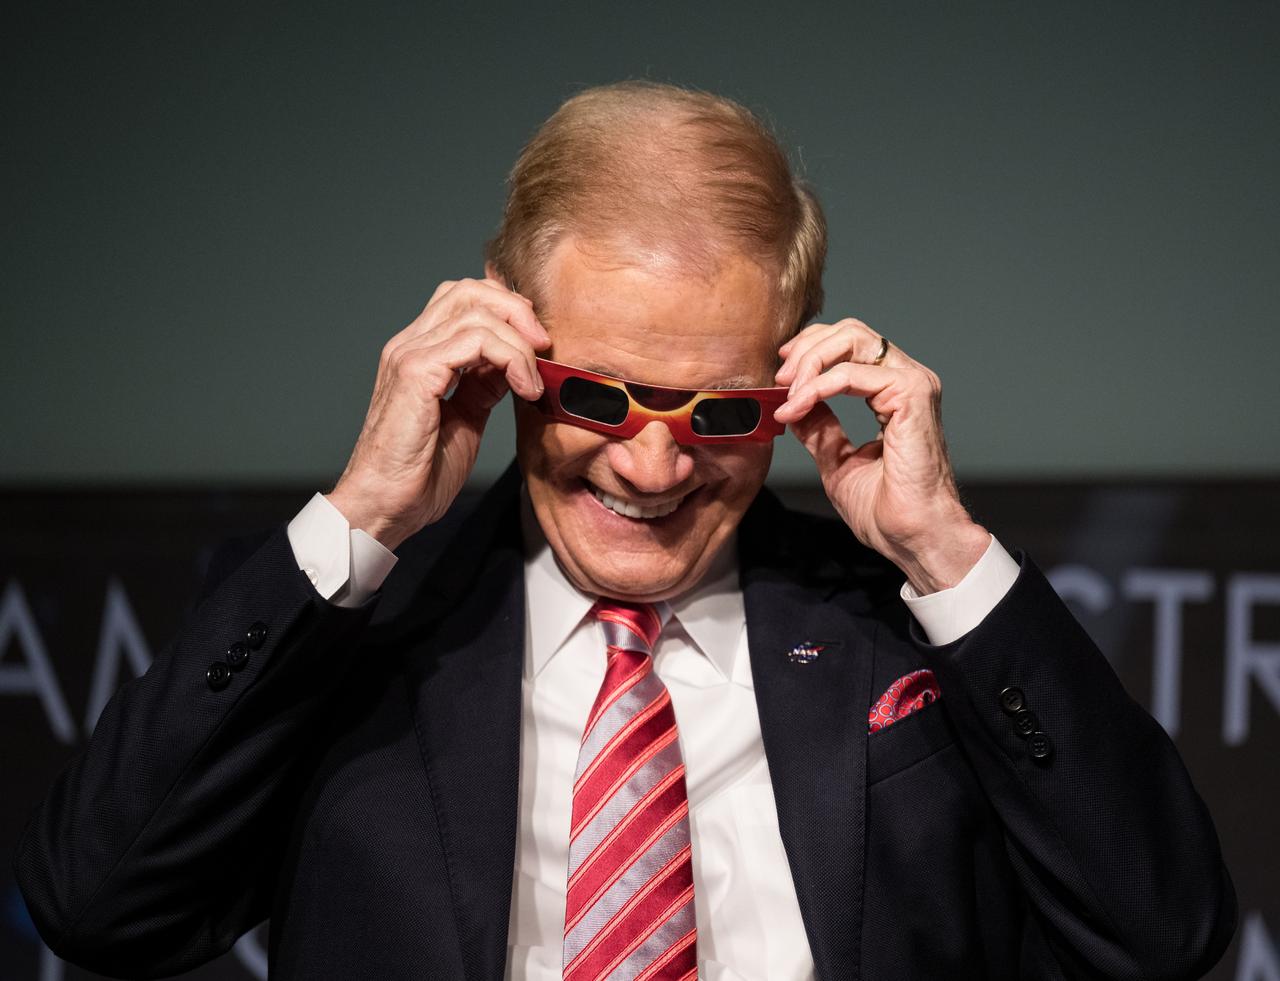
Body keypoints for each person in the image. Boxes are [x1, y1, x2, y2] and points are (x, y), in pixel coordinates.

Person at [15, 81, 1235, 980]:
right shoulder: (346, 623)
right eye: (598, 397)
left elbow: (1164, 939)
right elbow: (99, 906)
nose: (652, 465)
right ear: (504, 341)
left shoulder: (897, 627)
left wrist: (940, 557)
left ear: (790, 377)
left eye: (718, 412)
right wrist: (364, 519)